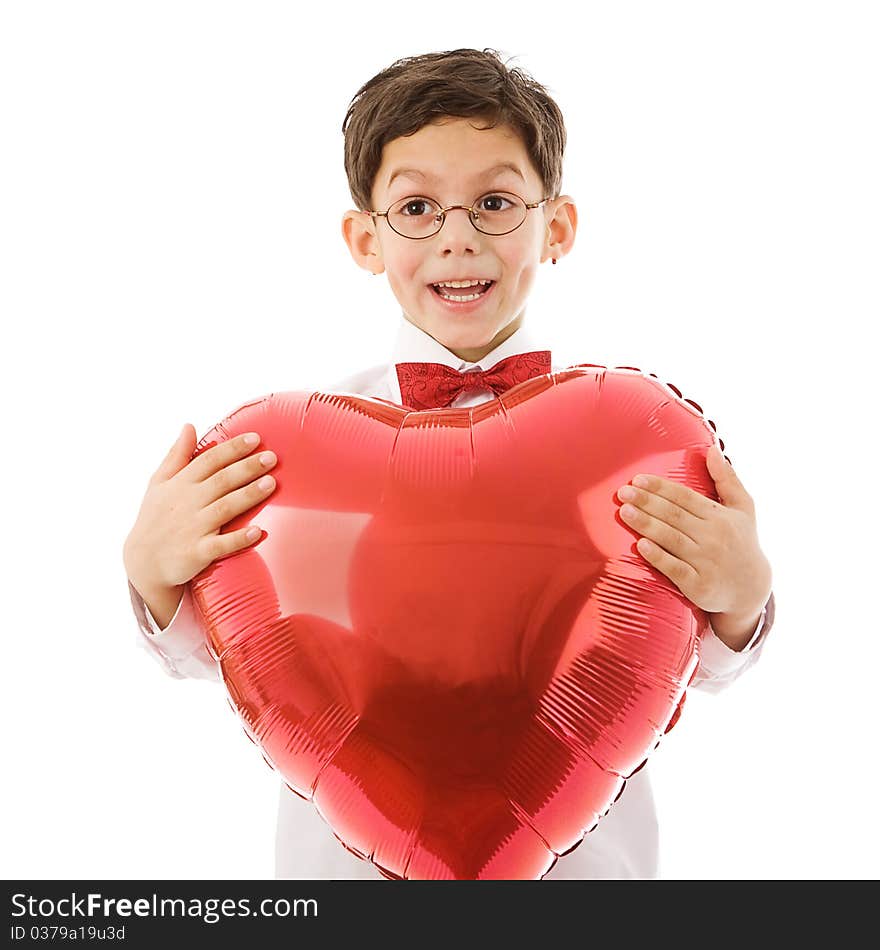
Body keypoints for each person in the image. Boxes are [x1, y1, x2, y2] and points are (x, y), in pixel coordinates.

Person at [122, 48, 776, 880]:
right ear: (365, 238)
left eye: (495, 203)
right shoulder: (289, 461)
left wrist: (743, 599)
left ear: (558, 226)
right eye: (418, 208)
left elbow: (687, 657)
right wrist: (151, 576)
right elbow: (221, 649)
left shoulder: (633, 443)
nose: (458, 238)